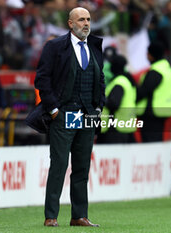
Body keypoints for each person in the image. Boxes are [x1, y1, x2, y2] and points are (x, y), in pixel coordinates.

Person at [33, 7, 104, 227]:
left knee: (82, 167)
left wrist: (99, 107)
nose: (86, 23)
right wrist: (54, 110)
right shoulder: (54, 47)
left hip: (87, 115)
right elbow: (42, 80)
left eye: (89, 20)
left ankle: (79, 216)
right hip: (65, 114)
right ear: (70, 24)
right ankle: (51, 216)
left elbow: (100, 78)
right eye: (81, 19)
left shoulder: (94, 45)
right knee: (60, 165)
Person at [136, 41, 171, 142]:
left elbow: (143, 91)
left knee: (151, 143)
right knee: (157, 142)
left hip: (152, 114)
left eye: (148, 53)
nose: (147, 55)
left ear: (152, 55)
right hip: (161, 111)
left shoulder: (156, 71)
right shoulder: (166, 68)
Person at [97, 54, 137, 143]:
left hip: (115, 127)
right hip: (126, 124)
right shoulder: (127, 80)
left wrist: (101, 99)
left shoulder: (119, 82)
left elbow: (114, 103)